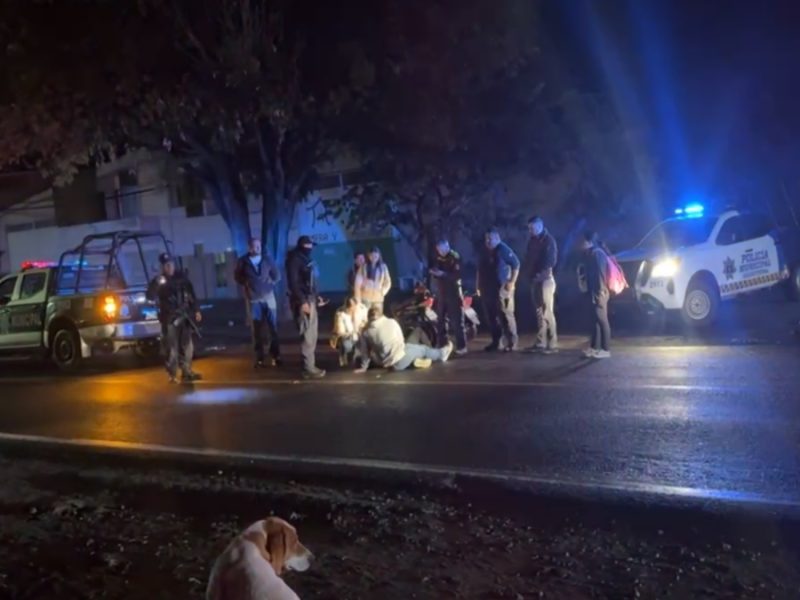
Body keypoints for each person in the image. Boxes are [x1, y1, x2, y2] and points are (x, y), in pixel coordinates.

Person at [146, 253, 202, 383]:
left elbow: (191, 294)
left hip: (184, 316)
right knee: (172, 348)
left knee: (187, 346)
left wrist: (196, 310)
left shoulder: (182, 278)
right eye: (166, 265)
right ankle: (172, 374)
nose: (169, 267)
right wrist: (156, 284)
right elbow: (150, 296)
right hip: (169, 318)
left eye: (170, 264)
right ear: (162, 267)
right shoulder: (159, 281)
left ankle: (186, 371)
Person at [355, 306, 453, 373]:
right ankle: (441, 354)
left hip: (387, 363)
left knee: (413, 345)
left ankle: (415, 360)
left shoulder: (365, 332)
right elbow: (400, 339)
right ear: (381, 314)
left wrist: (363, 367)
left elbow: (364, 352)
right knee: (423, 349)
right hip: (400, 358)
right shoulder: (391, 322)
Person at [234, 238, 282, 369]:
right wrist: (247, 283)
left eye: (259, 246)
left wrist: (269, 285)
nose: (258, 248)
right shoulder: (243, 261)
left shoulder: (267, 259)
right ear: (250, 248)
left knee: (273, 328)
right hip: (254, 299)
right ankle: (259, 358)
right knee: (256, 330)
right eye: (255, 246)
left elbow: (277, 275)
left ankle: (275, 355)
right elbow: (237, 276)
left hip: (269, 298)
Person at [286, 235, 326, 378]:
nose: (310, 248)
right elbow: (294, 283)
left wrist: (317, 296)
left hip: (310, 299)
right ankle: (308, 368)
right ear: (302, 246)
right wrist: (303, 301)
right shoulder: (295, 260)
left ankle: (309, 366)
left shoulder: (305, 259)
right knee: (308, 335)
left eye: (311, 246)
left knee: (311, 335)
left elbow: (311, 281)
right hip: (303, 301)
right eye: (308, 246)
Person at [476, 227, 520, 352]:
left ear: (497, 238)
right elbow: (479, 270)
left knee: (506, 314)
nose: (488, 241)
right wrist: (478, 286)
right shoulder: (484, 252)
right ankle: (496, 342)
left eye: (491, 239)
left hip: (502, 288)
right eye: (486, 239)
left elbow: (516, 264)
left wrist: (512, 282)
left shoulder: (503, 249)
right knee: (491, 316)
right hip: (487, 288)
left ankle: (512, 343)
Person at [524, 216, 559, 353]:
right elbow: (528, 259)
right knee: (539, 312)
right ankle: (541, 342)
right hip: (535, 279)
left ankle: (552, 342)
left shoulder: (549, 240)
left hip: (546, 279)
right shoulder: (532, 241)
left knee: (547, 311)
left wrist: (540, 274)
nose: (530, 231)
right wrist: (530, 275)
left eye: (532, 228)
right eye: (529, 228)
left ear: (539, 226)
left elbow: (551, 261)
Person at [430, 239, 468, 355]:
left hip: (453, 293)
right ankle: (443, 345)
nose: (440, 252)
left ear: (447, 246)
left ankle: (462, 346)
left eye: (441, 249)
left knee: (457, 322)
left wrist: (443, 274)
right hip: (442, 294)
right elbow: (436, 271)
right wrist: (435, 273)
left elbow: (457, 275)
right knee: (441, 321)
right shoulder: (438, 258)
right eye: (438, 250)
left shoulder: (455, 257)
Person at [579, 231, 611, 358]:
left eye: (583, 241)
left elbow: (600, 274)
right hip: (595, 290)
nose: (580, 243)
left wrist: (600, 292)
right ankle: (594, 347)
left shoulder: (597, 254)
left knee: (602, 320)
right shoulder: (591, 253)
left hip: (600, 291)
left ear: (589, 242)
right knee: (595, 320)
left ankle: (606, 349)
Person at [331, 296, 368, 366]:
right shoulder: (340, 313)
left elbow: (366, 322)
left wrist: (362, 327)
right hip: (347, 336)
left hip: (360, 334)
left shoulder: (363, 309)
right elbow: (340, 331)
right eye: (351, 308)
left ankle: (359, 357)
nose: (353, 309)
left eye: (355, 306)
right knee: (347, 346)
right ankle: (346, 357)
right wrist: (351, 333)